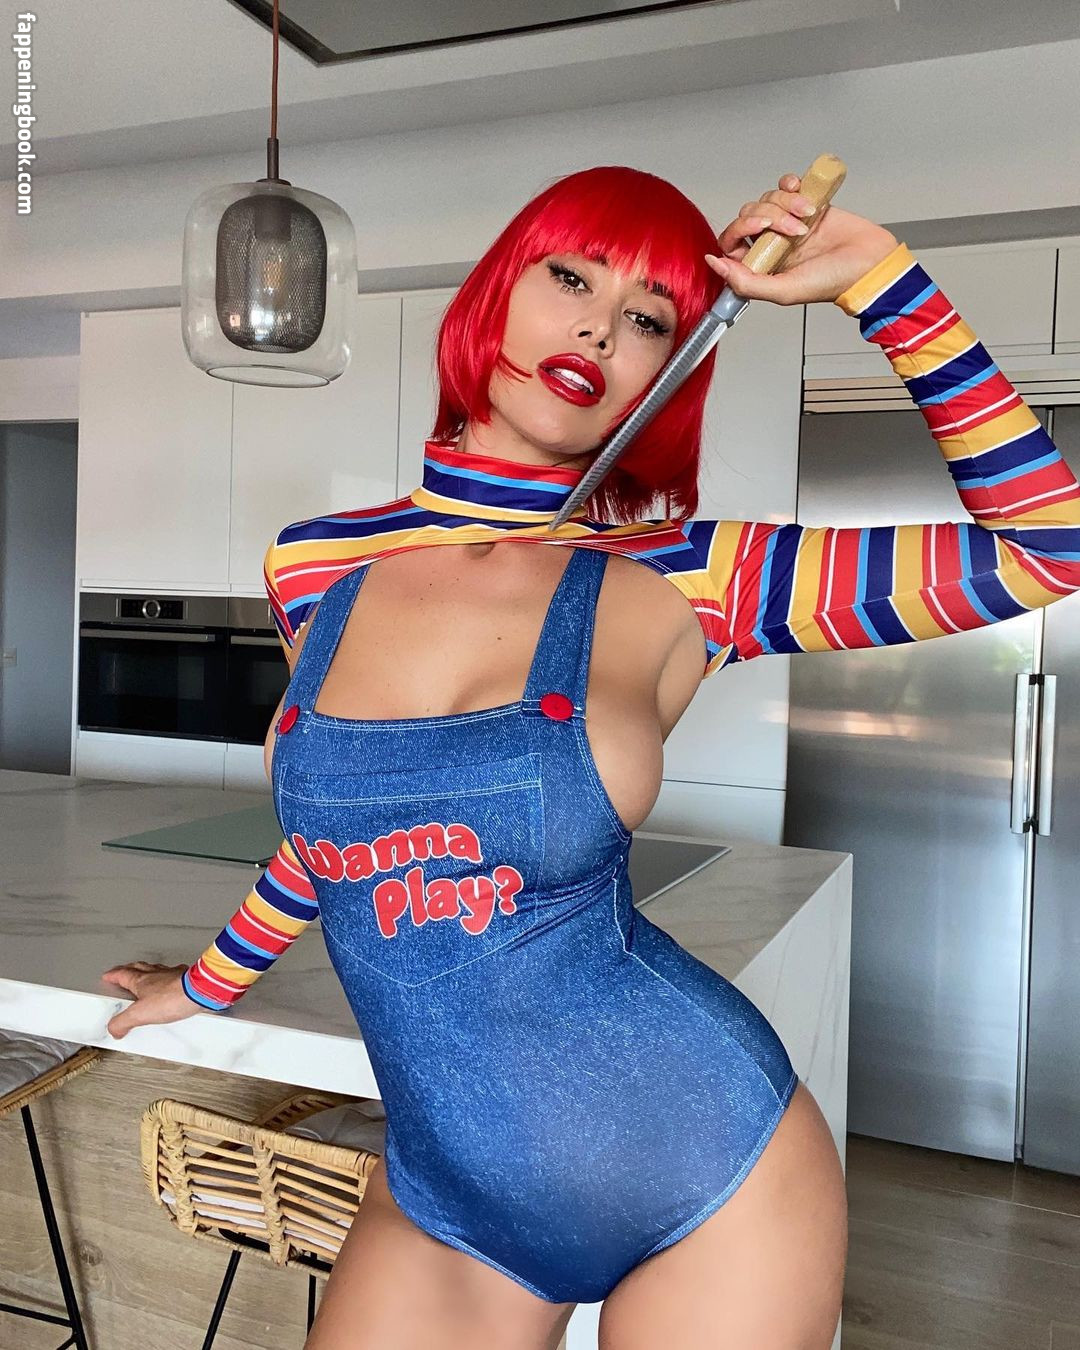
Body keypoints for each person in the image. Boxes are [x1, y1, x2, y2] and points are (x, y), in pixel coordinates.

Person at [101, 165, 1080, 1349]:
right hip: (448, 1195)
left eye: (649, 317)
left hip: (708, 1167)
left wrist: (882, 283)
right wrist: (204, 985)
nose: (601, 329)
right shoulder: (314, 566)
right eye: (571, 277)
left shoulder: (700, 574)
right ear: (495, 293)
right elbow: (340, 838)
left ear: (673, 365)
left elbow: (1050, 550)